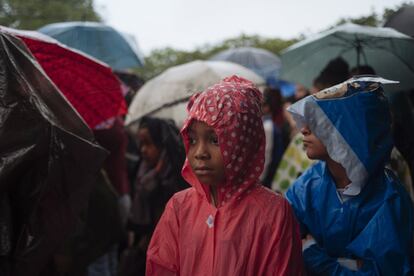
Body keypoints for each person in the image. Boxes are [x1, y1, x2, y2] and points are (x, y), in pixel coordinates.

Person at [146, 76, 304, 276]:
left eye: (215, 140)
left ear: (243, 144)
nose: (200, 152)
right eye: (193, 140)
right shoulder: (179, 207)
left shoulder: (273, 213)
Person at [285, 76, 414, 275]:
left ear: (348, 133)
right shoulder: (307, 186)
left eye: (320, 122)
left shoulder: (390, 199)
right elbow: (286, 241)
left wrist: (314, 255)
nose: (304, 129)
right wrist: (350, 264)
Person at [124, 116, 187, 275]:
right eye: (141, 144)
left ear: (163, 146)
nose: (143, 149)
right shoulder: (143, 171)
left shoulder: (172, 182)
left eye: (149, 143)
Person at [260, 87, 284, 188]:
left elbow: (266, 157)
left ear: (267, 107)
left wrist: (260, 180)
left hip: (267, 179)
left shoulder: (267, 127)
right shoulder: (270, 124)